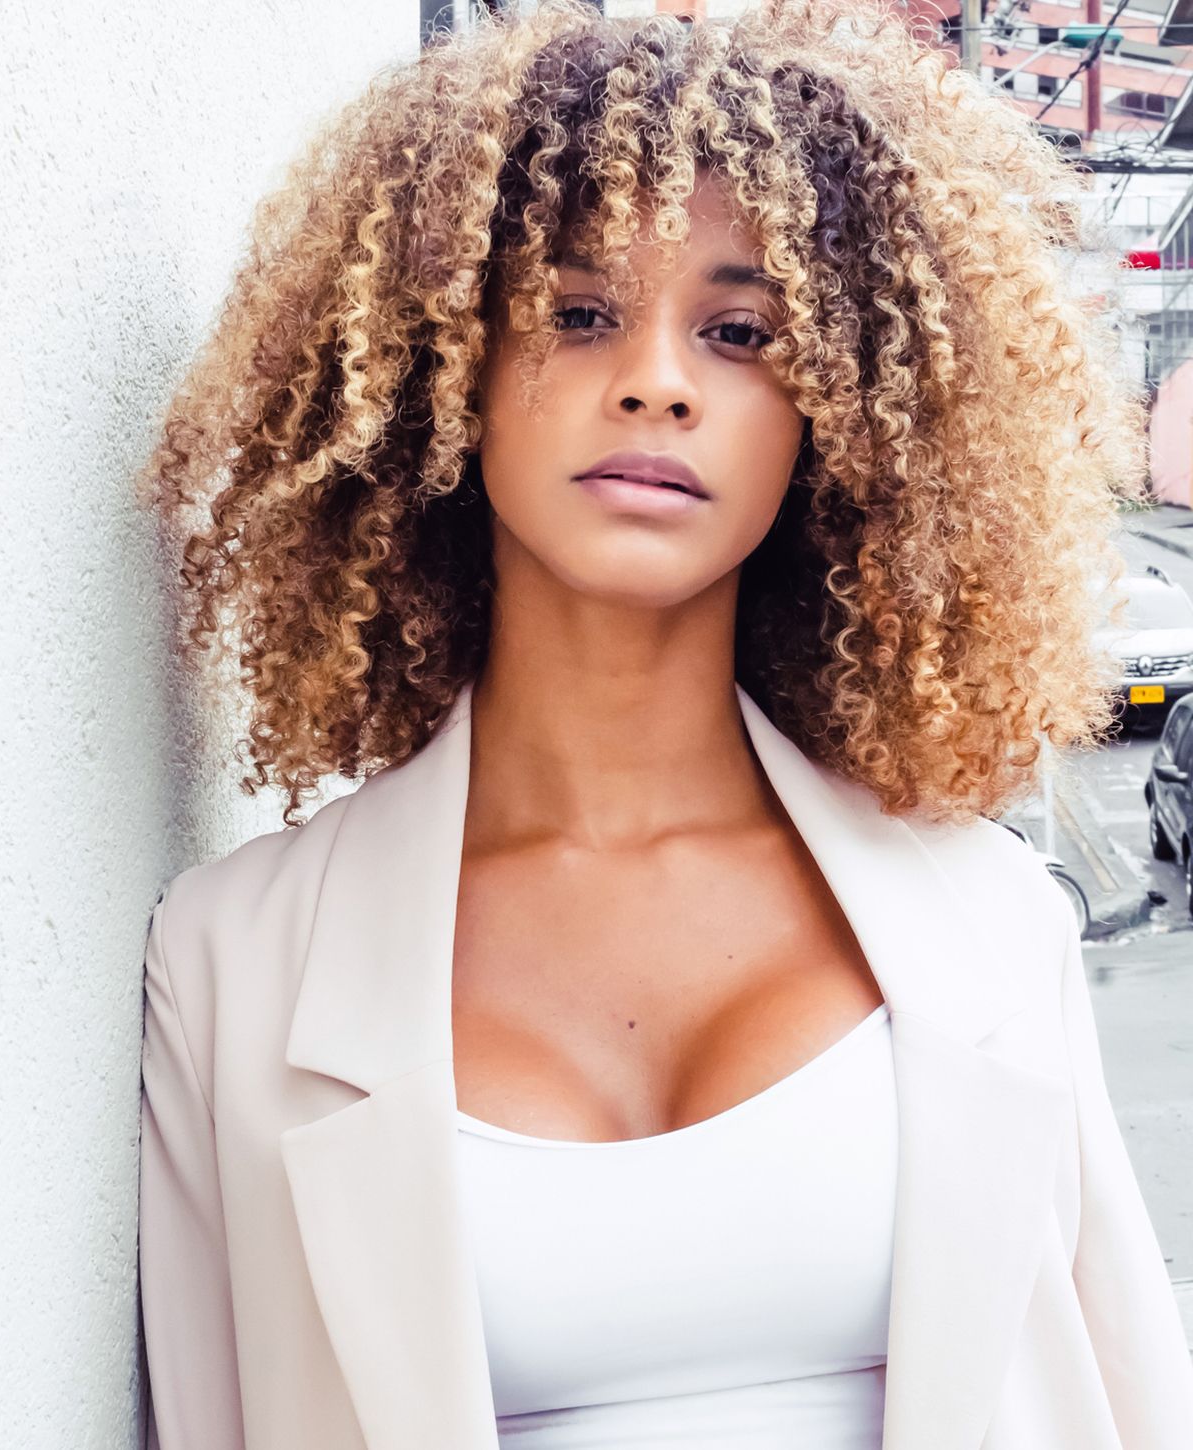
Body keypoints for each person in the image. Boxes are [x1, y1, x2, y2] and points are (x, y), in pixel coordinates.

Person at [135, 0, 1193, 1446]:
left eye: (741, 331)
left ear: (836, 416)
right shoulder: (236, 963)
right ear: (438, 372)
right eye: (577, 314)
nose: (656, 380)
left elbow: (1137, 1392)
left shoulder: (994, 918)